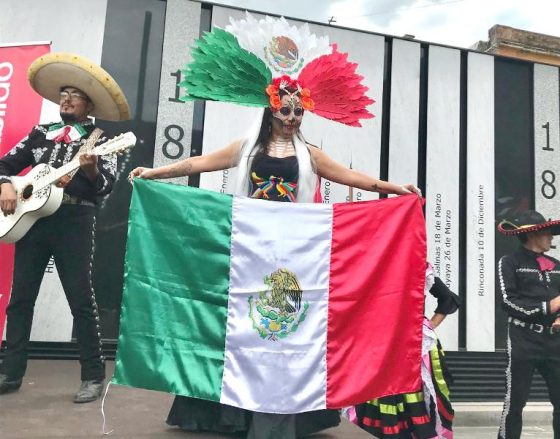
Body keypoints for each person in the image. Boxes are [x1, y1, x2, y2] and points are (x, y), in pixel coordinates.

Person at [129, 13, 421, 438]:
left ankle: (290, 410)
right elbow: (198, 163)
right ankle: (226, 413)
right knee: (238, 318)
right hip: (251, 244)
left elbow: (353, 177)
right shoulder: (247, 147)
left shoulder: (311, 154)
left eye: (299, 111)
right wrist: (155, 173)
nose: (294, 116)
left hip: (294, 248)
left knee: (287, 323)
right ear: (272, 108)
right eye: (287, 109)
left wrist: (394, 189)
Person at [0, 52, 130, 403]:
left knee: (80, 300)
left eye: (75, 95)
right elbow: (4, 164)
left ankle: (92, 376)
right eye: (63, 94)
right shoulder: (41, 133)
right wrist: (6, 185)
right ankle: (10, 372)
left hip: (74, 221)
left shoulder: (102, 140)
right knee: (20, 299)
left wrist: (89, 169)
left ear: (89, 104)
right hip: (32, 222)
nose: (66, 99)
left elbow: (105, 186)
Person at [348, 264, 460, 439]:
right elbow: (447, 298)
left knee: (396, 392)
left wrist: (429, 325)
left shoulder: (404, 265)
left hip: (401, 344)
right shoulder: (389, 264)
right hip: (390, 343)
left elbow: (448, 299)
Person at [496, 210, 560, 439]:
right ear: (532, 234)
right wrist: (549, 307)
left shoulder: (557, 264)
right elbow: (508, 302)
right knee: (515, 402)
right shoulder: (509, 262)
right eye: (547, 232)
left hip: (555, 341)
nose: (551, 237)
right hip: (522, 340)